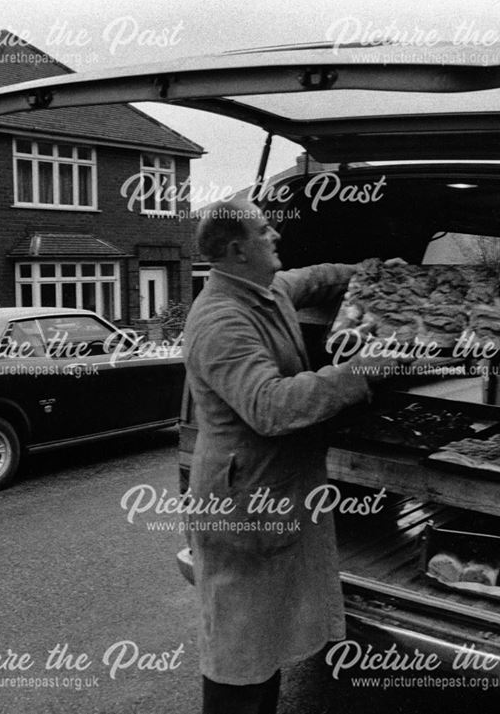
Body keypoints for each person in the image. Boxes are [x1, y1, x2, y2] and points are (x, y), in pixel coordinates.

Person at [183, 199, 393, 714]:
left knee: (264, 641)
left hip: (271, 494)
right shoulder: (221, 320)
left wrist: (374, 275)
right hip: (242, 506)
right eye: (264, 230)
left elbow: (316, 278)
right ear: (237, 249)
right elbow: (271, 407)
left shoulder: (263, 288)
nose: (276, 235)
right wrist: (364, 370)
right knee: (238, 653)